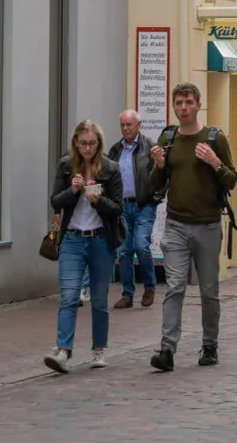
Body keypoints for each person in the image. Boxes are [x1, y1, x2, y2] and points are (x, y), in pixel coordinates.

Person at [148, 83, 237, 372]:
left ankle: (210, 344)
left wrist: (214, 162)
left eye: (188, 102)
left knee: (208, 290)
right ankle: (167, 349)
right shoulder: (168, 138)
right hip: (175, 224)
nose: (183, 107)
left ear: (198, 105)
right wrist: (158, 165)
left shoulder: (214, 138)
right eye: (178, 102)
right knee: (174, 286)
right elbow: (155, 185)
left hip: (207, 225)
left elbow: (232, 179)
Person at [44, 120, 124, 374]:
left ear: (99, 143)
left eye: (92, 143)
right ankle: (63, 351)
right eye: (83, 144)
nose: (87, 148)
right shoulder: (66, 165)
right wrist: (74, 191)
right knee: (69, 296)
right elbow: (55, 201)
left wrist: (98, 200)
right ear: (75, 144)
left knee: (99, 299)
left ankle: (98, 349)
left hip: (101, 239)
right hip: (72, 239)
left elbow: (117, 208)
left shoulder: (110, 168)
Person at [109, 110, 159, 308]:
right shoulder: (115, 150)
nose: (125, 128)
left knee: (141, 245)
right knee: (124, 251)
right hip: (122, 206)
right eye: (122, 124)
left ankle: (149, 287)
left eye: (129, 124)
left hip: (143, 205)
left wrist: (155, 197)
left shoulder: (150, 147)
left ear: (139, 125)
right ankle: (127, 294)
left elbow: (162, 173)